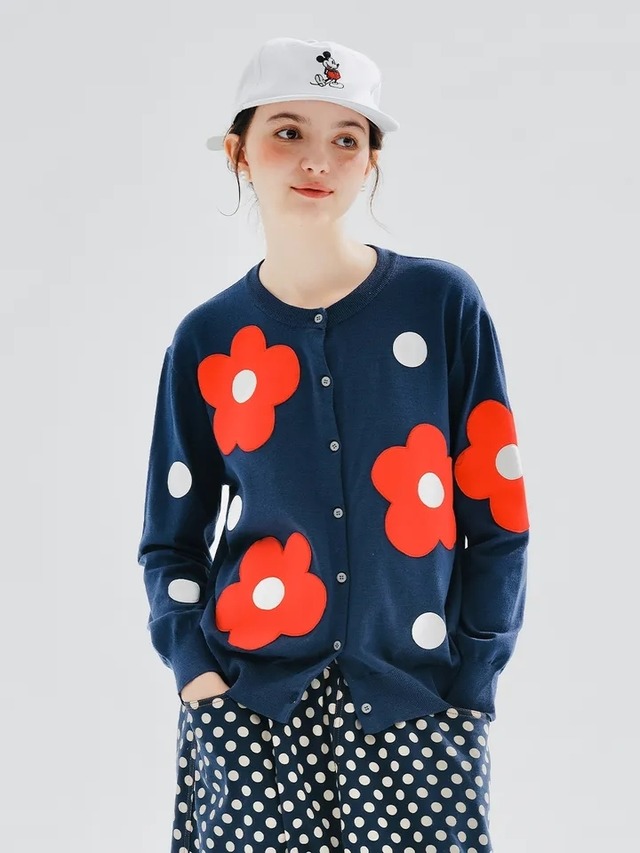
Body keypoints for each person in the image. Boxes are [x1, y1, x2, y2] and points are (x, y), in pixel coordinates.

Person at [137, 36, 530, 853]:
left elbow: (496, 514)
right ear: (239, 153)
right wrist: (199, 679)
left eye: (347, 138)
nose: (318, 158)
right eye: (288, 131)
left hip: (419, 701)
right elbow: (170, 540)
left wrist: (473, 681)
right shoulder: (208, 338)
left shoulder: (440, 305)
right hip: (250, 709)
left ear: (371, 160)